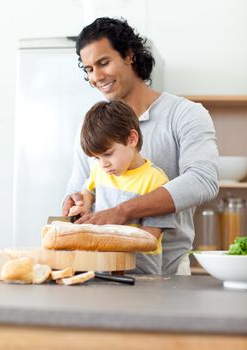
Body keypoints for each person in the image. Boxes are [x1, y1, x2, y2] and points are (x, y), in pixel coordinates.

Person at [62, 17, 219, 275]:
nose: (97, 76)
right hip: (104, 270)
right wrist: (76, 201)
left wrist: (122, 212)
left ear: (129, 55)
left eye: (103, 62)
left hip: (166, 272)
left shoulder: (185, 114)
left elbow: (203, 180)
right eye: (89, 69)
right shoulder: (90, 127)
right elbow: (79, 186)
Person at [69, 99, 174, 274]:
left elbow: (151, 237)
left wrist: (104, 236)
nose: (103, 164)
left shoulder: (156, 180)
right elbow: (88, 191)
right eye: (97, 158)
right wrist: (84, 207)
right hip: (101, 270)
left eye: (108, 154)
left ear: (132, 139)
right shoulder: (100, 170)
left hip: (140, 275)